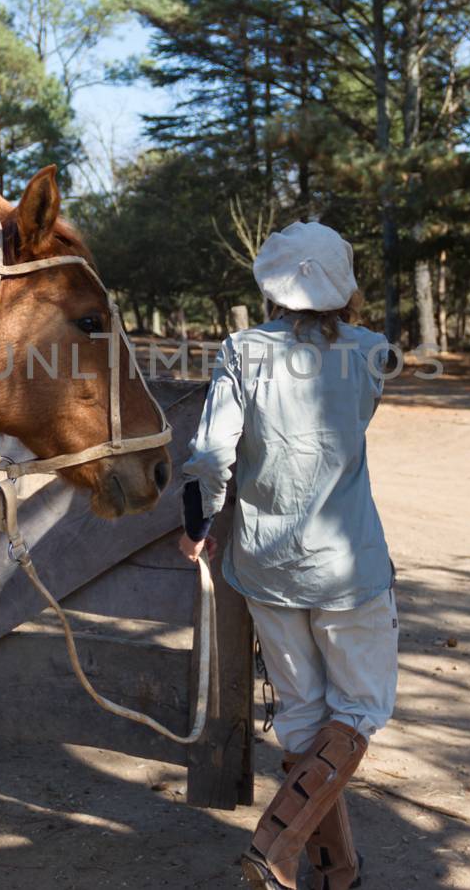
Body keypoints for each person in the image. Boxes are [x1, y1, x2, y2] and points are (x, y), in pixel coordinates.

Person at [178, 221, 398, 890]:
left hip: (266, 566)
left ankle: (341, 872)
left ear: (272, 283)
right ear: (344, 285)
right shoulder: (371, 352)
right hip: (348, 565)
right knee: (359, 711)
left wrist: (196, 523)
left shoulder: (243, 351)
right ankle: (277, 842)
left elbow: (213, 454)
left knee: (304, 716)